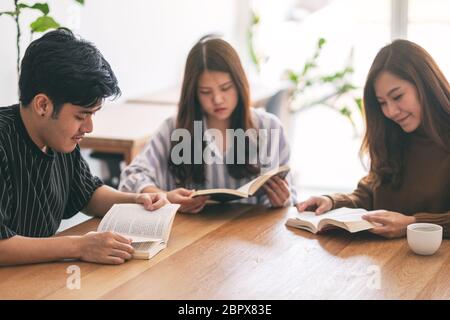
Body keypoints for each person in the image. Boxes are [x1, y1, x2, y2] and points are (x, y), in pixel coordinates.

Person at [0, 28, 169, 266]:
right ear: (43, 105)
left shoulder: (58, 139)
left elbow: (87, 194)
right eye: (81, 116)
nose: (88, 127)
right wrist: (79, 245)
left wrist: (137, 200)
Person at [119, 36, 297, 213]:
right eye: (205, 92)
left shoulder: (268, 127)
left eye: (226, 88)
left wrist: (282, 199)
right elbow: (133, 177)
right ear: (193, 93)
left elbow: (291, 196)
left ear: (240, 83)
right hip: (191, 234)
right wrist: (163, 196)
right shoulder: (175, 128)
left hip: (252, 235)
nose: (218, 99)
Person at [297, 39, 449, 239]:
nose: (391, 112)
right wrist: (333, 201)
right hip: (389, 262)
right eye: (382, 103)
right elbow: (373, 192)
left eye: (397, 96)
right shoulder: (395, 135)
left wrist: (413, 224)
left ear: (425, 85)